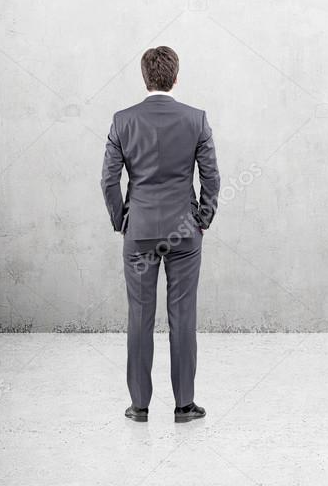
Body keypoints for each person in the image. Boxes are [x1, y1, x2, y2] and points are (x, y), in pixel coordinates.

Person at [101, 46, 220, 423]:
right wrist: (202, 217)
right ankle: (184, 406)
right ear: (175, 77)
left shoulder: (123, 121)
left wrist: (121, 220)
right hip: (184, 233)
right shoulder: (195, 119)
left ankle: (139, 407)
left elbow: (108, 180)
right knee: (183, 317)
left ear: (144, 78)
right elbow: (211, 176)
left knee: (140, 317)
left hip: (139, 233)